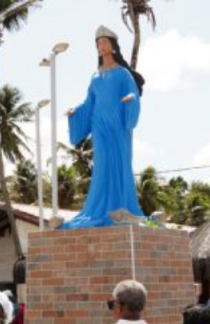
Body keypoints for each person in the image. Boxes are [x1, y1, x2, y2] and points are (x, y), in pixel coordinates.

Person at [61, 26, 146, 229]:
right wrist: (76, 111)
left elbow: (133, 94)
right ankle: (99, 210)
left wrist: (130, 99)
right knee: (102, 165)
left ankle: (122, 207)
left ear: (113, 46)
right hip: (99, 126)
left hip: (117, 125)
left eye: (103, 42)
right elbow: (89, 102)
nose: (100, 46)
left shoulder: (123, 73)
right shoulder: (95, 76)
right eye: (98, 43)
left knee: (120, 163)